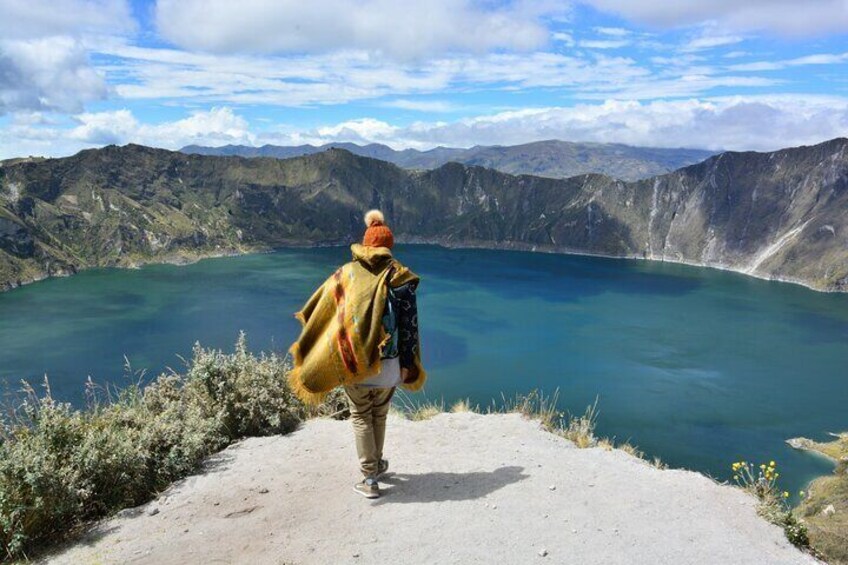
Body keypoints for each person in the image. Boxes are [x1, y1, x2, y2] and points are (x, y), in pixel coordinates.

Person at [288, 209, 426, 499]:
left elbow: (322, 311)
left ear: (365, 244)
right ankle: (376, 464)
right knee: (379, 416)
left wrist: (319, 344)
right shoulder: (401, 278)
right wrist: (408, 365)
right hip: (390, 366)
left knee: (361, 416)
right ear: (389, 247)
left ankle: (370, 478)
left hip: (354, 363)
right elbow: (410, 328)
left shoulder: (346, 275)